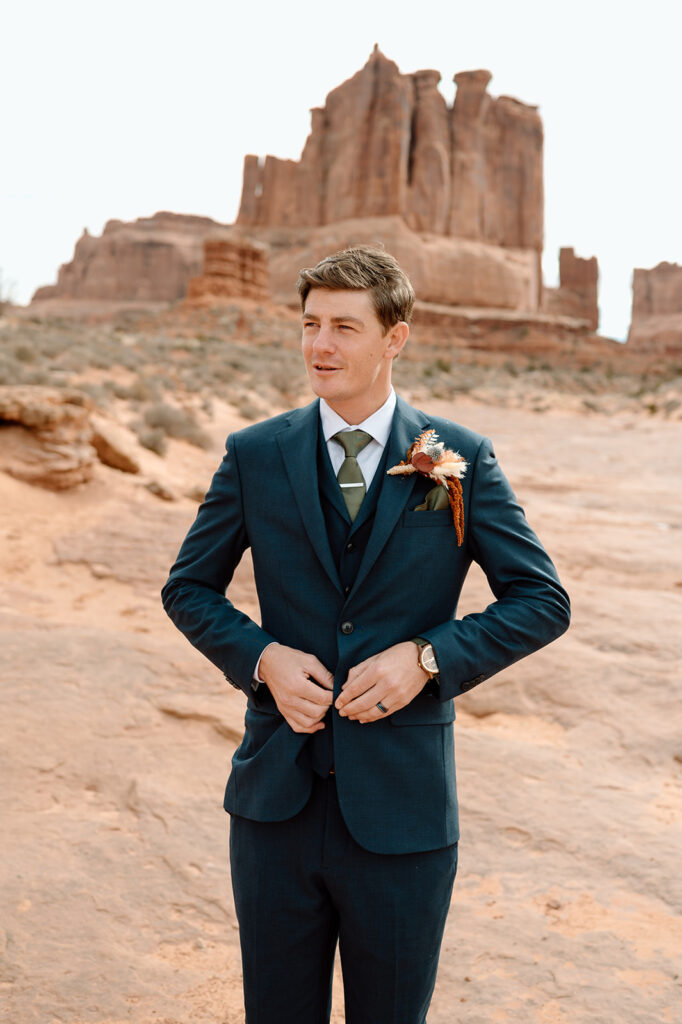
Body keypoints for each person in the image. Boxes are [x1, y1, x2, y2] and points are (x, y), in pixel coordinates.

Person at [161, 246, 570, 1023]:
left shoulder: (459, 459)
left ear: (396, 339)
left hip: (404, 812)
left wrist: (428, 658)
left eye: (345, 327)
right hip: (274, 804)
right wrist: (261, 660)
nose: (320, 346)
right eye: (310, 324)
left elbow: (541, 600)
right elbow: (187, 588)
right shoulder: (254, 455)